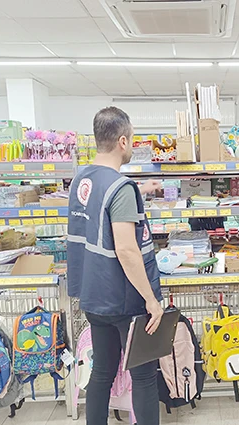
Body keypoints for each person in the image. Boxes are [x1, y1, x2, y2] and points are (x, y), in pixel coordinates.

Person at [67, 106, 163, 425]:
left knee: (103, 373)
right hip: (124, 299)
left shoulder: (81, 179)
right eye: (132, 139)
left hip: (93, 296)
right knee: (144, 376)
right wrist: (151, 300)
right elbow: (126, 249)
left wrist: (141, 191)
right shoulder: (120, 188)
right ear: (123, 141)